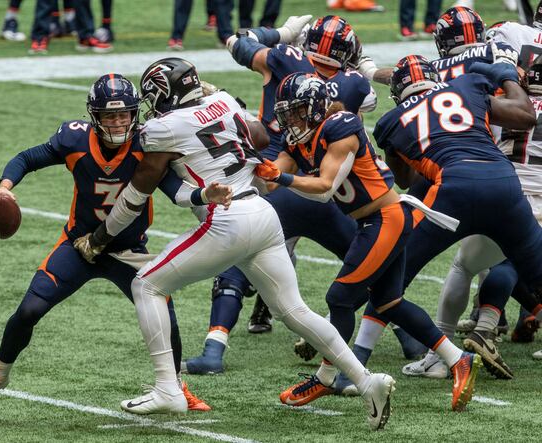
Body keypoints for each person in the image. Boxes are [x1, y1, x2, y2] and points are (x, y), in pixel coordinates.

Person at [74, 57, 397, 431]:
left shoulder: (161, 128)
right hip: (263, 212)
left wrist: (100, 238)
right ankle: (366, 381)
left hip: (226, 219)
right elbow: (260, 137)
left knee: (145, 284)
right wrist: (220, 103)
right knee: (295, 312)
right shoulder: (226, 103)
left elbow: (138, 188)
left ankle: (168, 389)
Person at [0, 73, 225, 412]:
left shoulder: (147, 144)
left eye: (123, 114)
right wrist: (5, 187)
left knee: (165, 315)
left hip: (128, 252)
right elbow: (27, 158)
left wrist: (203, 194)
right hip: (78, 245)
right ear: (94, 116)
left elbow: (174, 190)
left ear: (134, 114)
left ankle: (175, 386)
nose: (117, 122)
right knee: (29, 309)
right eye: (109, 116)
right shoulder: (75, 140)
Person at [183, 16, 403, 381]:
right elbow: (370, 100)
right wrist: (362, 68)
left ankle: (214, 348)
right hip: (327, 192)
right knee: (367, 269)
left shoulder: (285, 57)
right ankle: (412, 340)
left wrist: (281, 33)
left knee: (239, 252)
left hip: (275, 177)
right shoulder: (353, 83)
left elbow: (236, 41)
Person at [255, 72, 480, 412]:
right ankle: (457, 358)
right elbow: (272, 179)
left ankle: (327, 376)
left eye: (298, 112)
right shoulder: (301, 139)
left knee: (340, 299)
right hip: (371, 221)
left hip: (385, 218)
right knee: (390, 302)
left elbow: (326, 188)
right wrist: (255, 162)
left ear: (316, 108)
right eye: (288, 114)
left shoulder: (339, 127)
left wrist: (283, 177)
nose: (292, 120)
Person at [366, 54, 542, 386]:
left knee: (405, 270)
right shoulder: (477, 87)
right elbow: (523, 114)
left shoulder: (460, 91)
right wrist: (500, 71)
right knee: (523, 269)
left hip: (468, 187)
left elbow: (407, 178)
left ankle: (440, 350)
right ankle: (487, 327)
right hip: (507, 192)